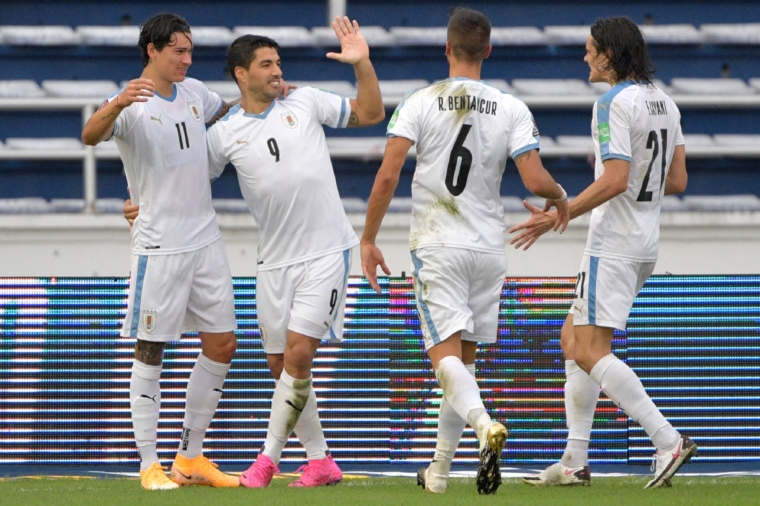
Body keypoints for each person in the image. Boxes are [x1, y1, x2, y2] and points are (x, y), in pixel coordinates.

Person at [360, 7, 570, 495]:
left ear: (447, 48)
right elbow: (535, 180)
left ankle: (482, 426)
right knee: (464, 366)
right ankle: (437, 472)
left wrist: (368, 238)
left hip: (438, 243)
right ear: (488, 50)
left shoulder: (420, 100)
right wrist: (560, 199)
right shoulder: (511, 107)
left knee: (443, 362)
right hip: (488, 249)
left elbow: (388, 174)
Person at [511, 16, 692, 489]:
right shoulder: (666, 103)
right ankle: (574, 461)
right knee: (572, 340)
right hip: (644, 242)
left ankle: (667, 439)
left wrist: (559, 213)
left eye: (590, 49)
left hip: (612, 243)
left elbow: (614, 180)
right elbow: (677, 181)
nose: (585, 56)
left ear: (609, 55)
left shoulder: (611, 103)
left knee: (590, 351)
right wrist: (637, 190)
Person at [204, 18, 384, 488]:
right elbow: (182, 177)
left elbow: (370, 112)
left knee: (300, 355)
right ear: (241, 74)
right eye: (266, 65)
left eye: (279, 63)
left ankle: (265, 461)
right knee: (281, 365)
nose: (276, 71)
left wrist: (362, 63)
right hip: (274, 262)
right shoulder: (224, 134)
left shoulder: (304, 100)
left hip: (326, 251)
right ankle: (322, 461)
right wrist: (139, 199)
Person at [82, 13, 241, 490]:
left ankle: (190, 458)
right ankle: (148, 463)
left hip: (206, 239)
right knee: (150, 351)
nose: (187, 60)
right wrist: (115, 104)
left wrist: (262, 96)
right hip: (160, 244)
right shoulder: (129, 101)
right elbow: (90, 135)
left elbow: (224, 112)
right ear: (152, 50)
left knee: (223, 343)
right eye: (179, 51)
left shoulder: (194, 94)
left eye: (190, 51)